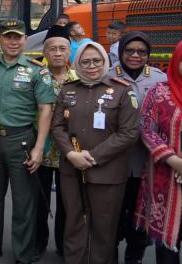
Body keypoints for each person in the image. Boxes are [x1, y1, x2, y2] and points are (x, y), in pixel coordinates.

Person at [52, 41, 140, 264]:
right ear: (78, 63)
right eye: (85, 61)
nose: (91, 65)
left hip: (108, 173)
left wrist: (93, 157)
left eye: (97, 60)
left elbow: (129, 133)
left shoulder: (122, 91)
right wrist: (72, 154)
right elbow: (58, 127)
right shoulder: (68, 89)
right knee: (73, 223)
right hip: (71, 169)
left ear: (105, 61)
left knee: (104, 228)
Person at [0, 19, 55, 264]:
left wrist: (38, 148)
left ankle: (22, 254)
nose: (13, 41)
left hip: (22, 140)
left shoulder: (37, 70)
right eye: (8, 37)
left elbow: (46, 110)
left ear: (25, 39)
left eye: (18, 37)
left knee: (24, 202)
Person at [109, 31, 166, 263]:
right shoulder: (107, 76)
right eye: (129, 50)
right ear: (121, 51)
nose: (135, 55)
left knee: (140, 215)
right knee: (111, 214)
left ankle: (135, 256)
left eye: (141, 52)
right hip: (115, 161)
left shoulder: (159, 79)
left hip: (145, 161)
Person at [134, 41, 182, 263]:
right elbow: (145, 129)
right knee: (167, 247)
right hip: (166, 175)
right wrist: (174, 161)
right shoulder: (159, 91)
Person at [34, 25, 77, 260]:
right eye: (53, 49)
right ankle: (39, 242)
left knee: (66, 201)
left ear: (69, 51)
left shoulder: (78, 78)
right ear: (45, 51)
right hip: (39, 149)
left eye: (63, 48)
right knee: (39, 201)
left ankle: (63, 243)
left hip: (68, 152)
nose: (58, 53)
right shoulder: (35, 76)